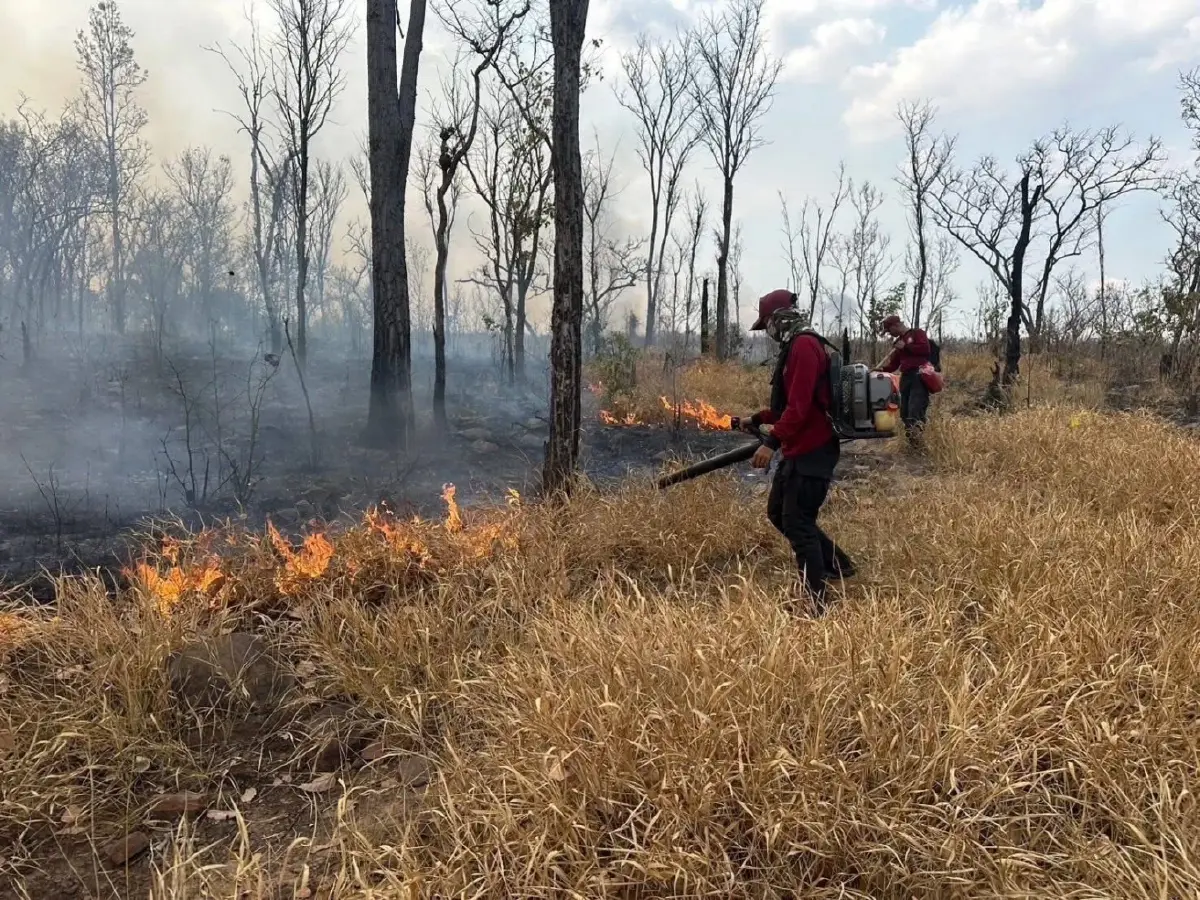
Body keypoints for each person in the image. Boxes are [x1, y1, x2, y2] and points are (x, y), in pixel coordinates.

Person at [739, 289, 856, 616]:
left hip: (812, 451)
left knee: (798, 522)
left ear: (779, 318)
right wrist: (759, 419)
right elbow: (790, 405)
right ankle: (840, 567)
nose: (768, 332)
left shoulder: (804, 346)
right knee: (779, 513)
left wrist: (770, 442)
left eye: (767, 324)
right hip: (800, 449)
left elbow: (801, 408)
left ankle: (817, 603)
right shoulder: (796, 346)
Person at [877, 314, 932, 447]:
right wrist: (880, 370)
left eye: (889, 330)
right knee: (904, 413)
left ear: (896, 326)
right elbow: (894, 365)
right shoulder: (899, 342)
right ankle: (912, 443)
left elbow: (926, 350)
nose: (890, 333)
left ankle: (918, 445)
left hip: (919, 376)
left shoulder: (917, 333)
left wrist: (906, 347)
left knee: (915, 411)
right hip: (906, 377)